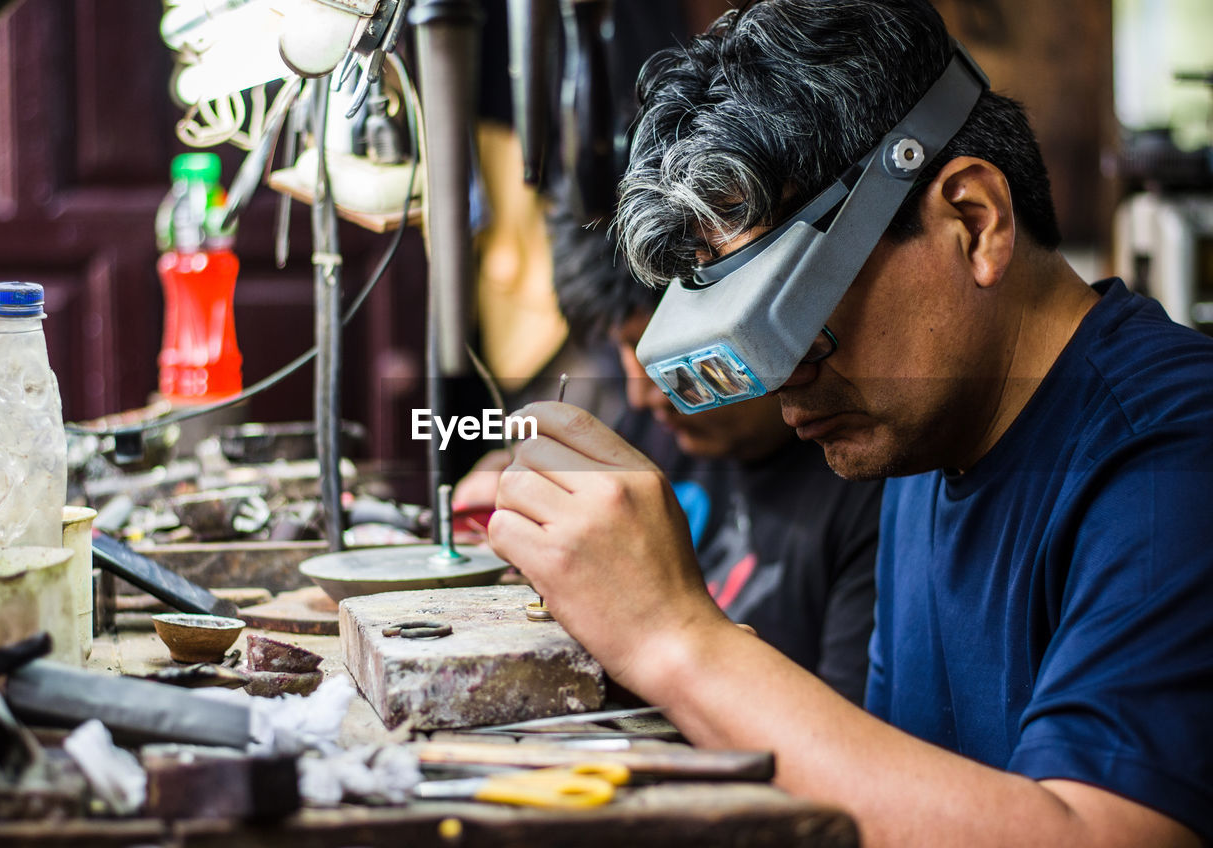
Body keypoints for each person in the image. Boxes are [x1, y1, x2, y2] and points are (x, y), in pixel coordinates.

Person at [486, 2, 1213, 846]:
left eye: (797, 326)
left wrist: (677, 637)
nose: (778, 386)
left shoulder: (1173, 453)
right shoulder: (920, 443)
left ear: (973, 221)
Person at [460, 195, 884, 702]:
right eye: (624, 352)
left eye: (664, 354)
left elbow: (839, 748)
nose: (641, 394)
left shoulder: (864, 484)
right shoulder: (653, 436)